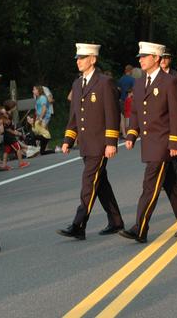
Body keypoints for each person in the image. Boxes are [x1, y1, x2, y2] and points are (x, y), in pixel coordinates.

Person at [122, 42, 177, 243]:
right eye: (140, 56)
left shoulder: (170, 82)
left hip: (163, 143)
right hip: (149, 143)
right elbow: (137, 112)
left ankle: (140, 228)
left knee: (150, 185)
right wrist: (131, 134)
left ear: (156, 58)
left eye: (145, 56)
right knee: (171, 183)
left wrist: (175, 142)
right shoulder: (139, 84)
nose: (140, 59)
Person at [58, 43, 124, 240]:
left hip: (100, 144)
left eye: (82, 57)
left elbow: (112, 113)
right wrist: (68, 139)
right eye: (77, 58)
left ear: (93, 59)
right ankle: (116, 220)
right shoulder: (77, 84)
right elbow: (75, 115)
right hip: (86, 144)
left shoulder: (105, 82)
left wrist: (111, 142)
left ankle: (79, 224)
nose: (78, 61)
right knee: (99, 182)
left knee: (89, 181)